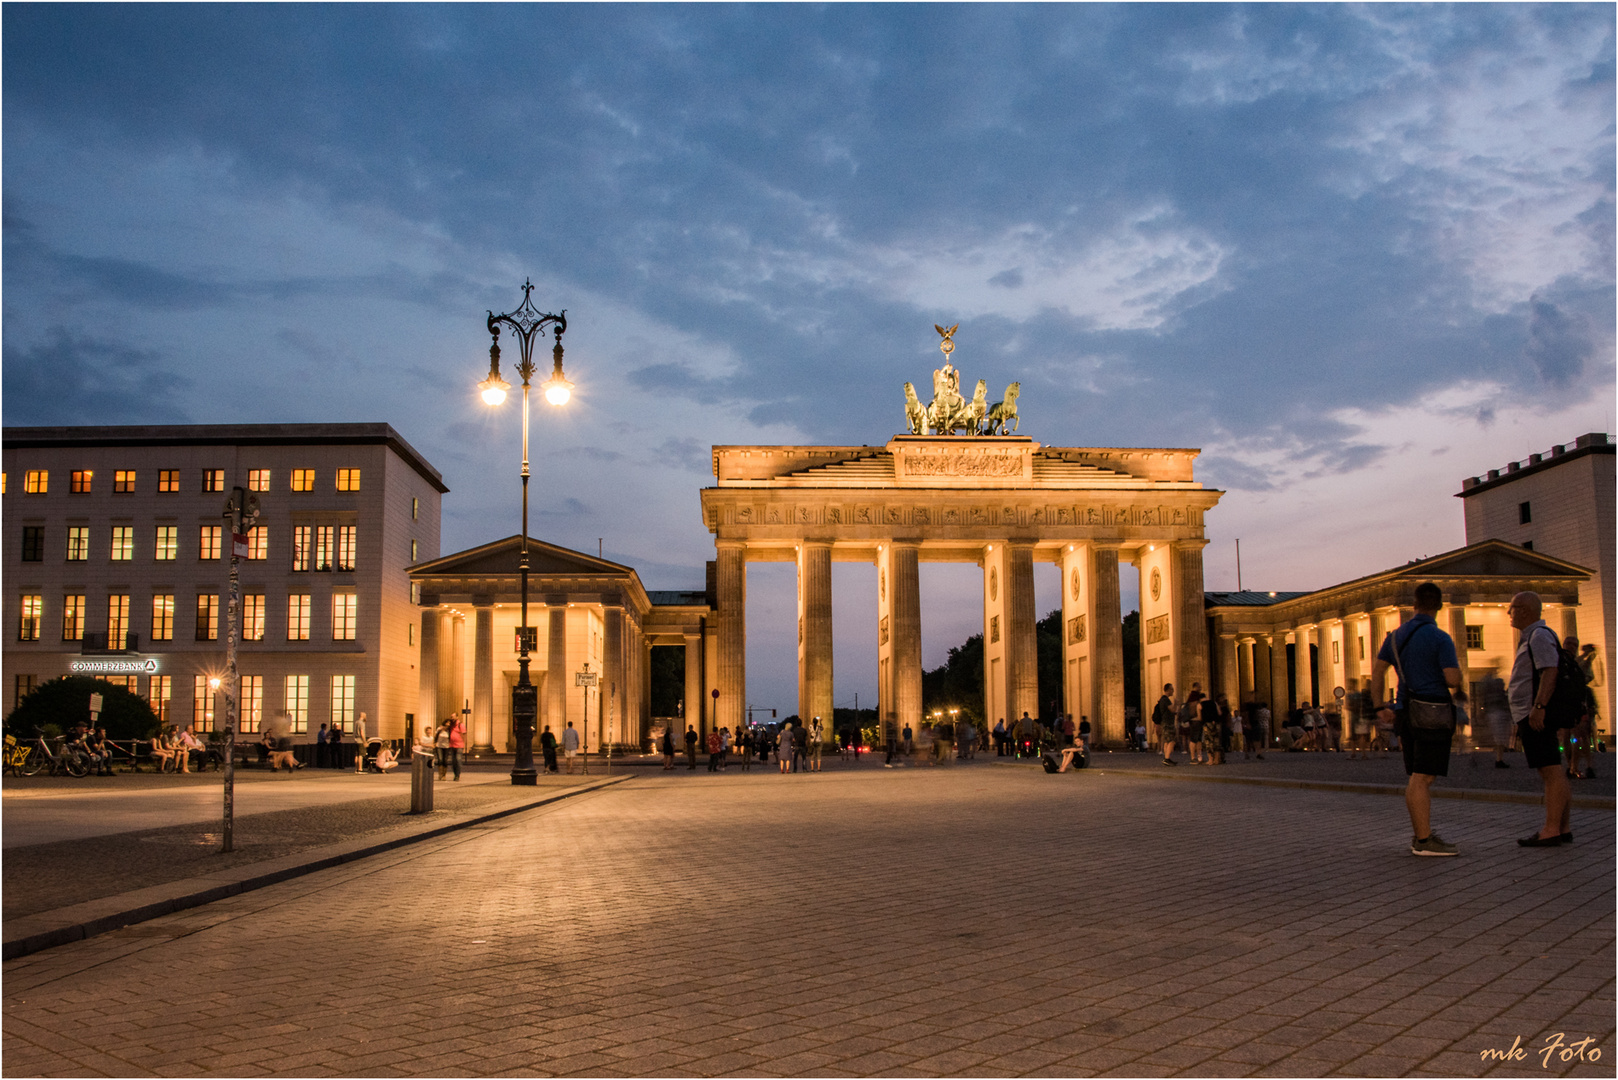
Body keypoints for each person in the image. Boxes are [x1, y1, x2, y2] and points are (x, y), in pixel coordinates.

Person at [1371, 582, 1463, 857]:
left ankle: (1421, 835)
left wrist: (1379, 707)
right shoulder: (1440, 638)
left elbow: (1377, 673)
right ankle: (1423, 840)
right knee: (1423, 777)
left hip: (1404, 711)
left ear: (1414, 604)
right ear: (1439, 605)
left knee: (1416, 774)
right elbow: (1452, 679)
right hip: (1431, 711)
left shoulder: (1396, 636)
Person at [1506, 592, 1572, 846]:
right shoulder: (1534, 636)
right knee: (1553, 769)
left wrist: (1538, 707)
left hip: (1535, 714)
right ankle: (1562, 827)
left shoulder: (1538, 636)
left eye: (1511, 609)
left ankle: (1551, 829)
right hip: (1533, 711)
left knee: (1550, 770)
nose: (1509, 614)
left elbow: (1550, 671)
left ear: (1524, 610)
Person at [1481, 676, 1512, 768]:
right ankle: (1499, 759)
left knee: (1500, 738)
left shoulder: (1492, 695)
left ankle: (1499, 758)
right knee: (1500, 738)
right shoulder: (1499, 695)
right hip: (1499, 715)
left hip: (1496, 715)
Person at [1152, 684, 1177, 765]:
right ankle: (1167, 758)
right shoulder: (1165, 700)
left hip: (1164, 723)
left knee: (1166, 741)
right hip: (1168, 723)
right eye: (1172, 689)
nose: (1173, 691)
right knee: (1171, 740)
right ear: (1168, 690)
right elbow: (1172, 710)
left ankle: (1167, 758)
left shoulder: (1162, 700)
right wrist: (1176, 704)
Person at [445, 714, 465, 780]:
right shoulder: (451, 725)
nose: (452, 718)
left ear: (457, 717)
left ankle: (457, 775)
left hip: (459, 745)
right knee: (453, 761)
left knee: (458, 760)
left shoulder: (460, 725)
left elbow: (464, 734)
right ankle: (455, 774)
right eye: (451, 717)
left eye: (453, 717)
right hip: (452, 745)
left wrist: (464, 743)